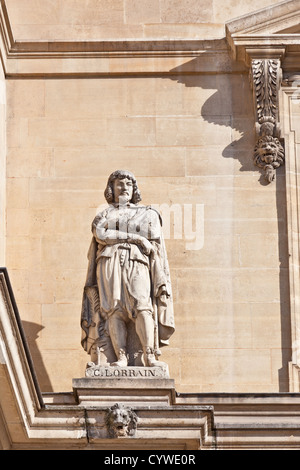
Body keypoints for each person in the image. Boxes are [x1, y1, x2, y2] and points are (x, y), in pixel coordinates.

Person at [81, 170, 174, 367]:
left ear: (134, 189)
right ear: (111, 189)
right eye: (119, 183)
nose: (124, 187)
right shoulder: (104, 214)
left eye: (128, 184)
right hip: (109, 260)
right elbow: (100, 233)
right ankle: (121, 357)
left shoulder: (147, 213)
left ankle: (149, 356)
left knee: (142, 306)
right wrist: (135, 237)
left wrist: (117, 232)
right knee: (114, 309)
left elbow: (153, 230)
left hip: (137, 261)